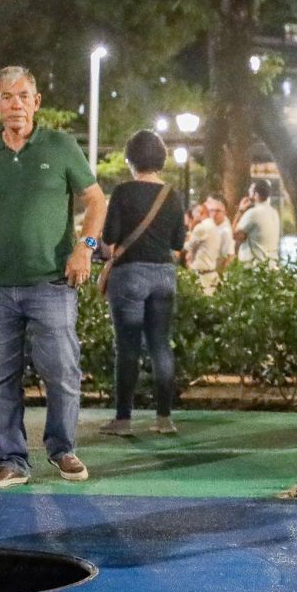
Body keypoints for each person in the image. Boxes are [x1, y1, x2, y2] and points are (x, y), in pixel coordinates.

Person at [0, 66, 104, 489]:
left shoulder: (62, 146)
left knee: (62, 372)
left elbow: (96, 200)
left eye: (23, 96)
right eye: (7, 97)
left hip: (51, 282)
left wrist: (83, 249)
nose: (16, 104)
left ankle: (62, 449)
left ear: (36, 102)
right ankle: (11, 459)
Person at [99, 130, 189, 437]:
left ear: (130, 159)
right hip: (164, 274)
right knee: (160, 345)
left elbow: (109, 240)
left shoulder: (123, 192)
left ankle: (123, 419)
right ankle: (164, 418)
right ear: (161, 159)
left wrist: (91, 242)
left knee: (128, 347)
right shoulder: (172, 195)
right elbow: (178, 241)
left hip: (130, 276)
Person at [184, 195, 236, 292]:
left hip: (206, 275)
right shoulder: (214, 226)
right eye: (212, 210)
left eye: (217, 211)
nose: (214, 214)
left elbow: (228, 258)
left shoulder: (223, 230)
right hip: (211, 275)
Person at [232, 180, 282, 265]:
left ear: (256, 194)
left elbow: (234, 234)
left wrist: (240, 211)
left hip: (255, 267)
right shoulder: (274, 212)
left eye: (250, 191)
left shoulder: (253, 213)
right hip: (270, 264)